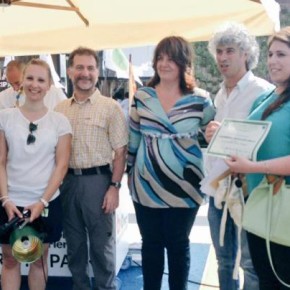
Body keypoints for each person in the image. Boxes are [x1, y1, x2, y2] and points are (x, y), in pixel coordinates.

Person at [127, 36, 215, 290]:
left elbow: (215, 134)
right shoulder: (142, 96)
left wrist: (212, 133)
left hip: (186, 186)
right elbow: (133, 139)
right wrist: (128, 175)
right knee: (151, 243)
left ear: (183, 62)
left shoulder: (201, 99)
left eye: (171, 59)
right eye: (160, 58)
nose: (164, 64)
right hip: (145, 184)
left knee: (178, 244)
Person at [201, 22, 275, 290]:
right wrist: (213, 136)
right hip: (218, 188)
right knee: (223, 261)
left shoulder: (263, 91)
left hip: (248, 191)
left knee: (250, 265)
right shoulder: (219, 93)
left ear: (245, 53)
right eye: (219, 51)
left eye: (229, 50)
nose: (222, 57)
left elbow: (267, 142)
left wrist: (226, 134)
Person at [55, 47, 128, 290]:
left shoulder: (110, 107)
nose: (85, 73)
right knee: (74, 246)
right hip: (67, 183)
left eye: (90, 68)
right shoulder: (60, 110)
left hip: (99, 182)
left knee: (101, 247)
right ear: (70, 71)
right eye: (80, 67)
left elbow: (121, 152)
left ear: (97, 72)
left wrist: (114, 187)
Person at [225, 26, 290, 290]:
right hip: (257, 202)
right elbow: (250, 140)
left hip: (283, 205)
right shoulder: (265, 98)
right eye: (271, 54)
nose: (273, 61)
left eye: (282, 55)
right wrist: (223, 136)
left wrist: (252, 166)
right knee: (264, 277)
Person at [0, 58, 72, 290]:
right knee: (10, 259)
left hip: (46, 202)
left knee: (38, 260)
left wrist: (42, 202)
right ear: (21, 82)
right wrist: (5, 199)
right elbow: (0, 162)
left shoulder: (60, 122)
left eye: (41, 80)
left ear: (49, 85)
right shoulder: (6, 118)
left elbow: (61, 166)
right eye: (30, 78)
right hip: (10, 202)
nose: (35, 84)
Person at [0, 59, 67, 110]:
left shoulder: (55, 93)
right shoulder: (6, 96)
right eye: (11, 84)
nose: (15, 89)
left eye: (18, 83)